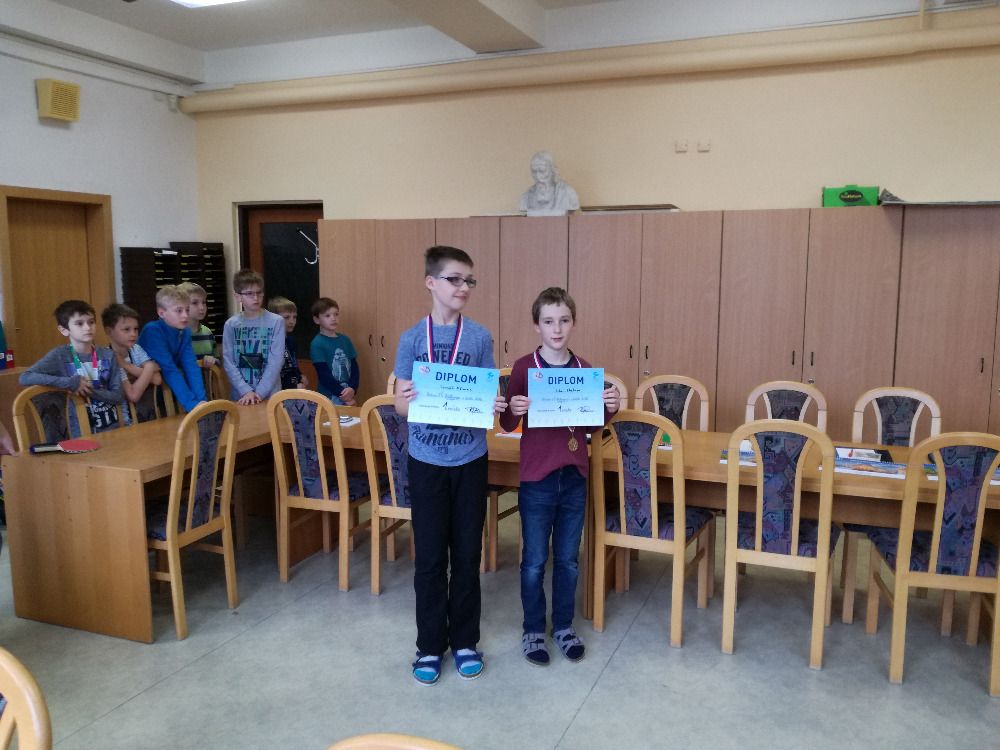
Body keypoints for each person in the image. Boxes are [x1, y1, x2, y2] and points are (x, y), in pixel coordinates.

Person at [394, 245, 507, 685]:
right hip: (425, 460)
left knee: (466, 554)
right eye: (455, 279)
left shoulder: (478, 337)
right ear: (431, 282)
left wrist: (493, 403)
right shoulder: (411, 339)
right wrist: (404, 399)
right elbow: (401, 408)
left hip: (470, 459)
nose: (463, 287)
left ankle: (464, 641)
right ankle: (428, 646)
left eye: (469, 280)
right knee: (428, 558)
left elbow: (487, 397)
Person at [499, 287, 619, 666]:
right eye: (548, 321)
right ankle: (533, 629)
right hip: (537, 479)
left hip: (574, 477)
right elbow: (506, 422)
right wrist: (513, 408)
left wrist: (609, 409)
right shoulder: (524, 368)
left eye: (564, 321)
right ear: (536, 326)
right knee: (534, 561)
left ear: (573, 324)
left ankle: (563, 627)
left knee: (568, 559)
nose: (556, 329)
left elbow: (591, 424)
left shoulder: (584, 369)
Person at [20, 299, 124, 434]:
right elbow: (25, 377)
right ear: (64, 330)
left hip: (112, 428)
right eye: (79, 323)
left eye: (91, 322)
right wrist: (69, 383)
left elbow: (118, 396)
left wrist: (87, 389)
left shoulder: (108, 355)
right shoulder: (60, 355)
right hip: (79, 432)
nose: (87, 327)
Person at [138, 285, 206, 413]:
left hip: (167, 386)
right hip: (146, 391)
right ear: (161, 313)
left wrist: (202, 402)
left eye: (187, 310)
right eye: (179, 311)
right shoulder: (152, 331)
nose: (185, 315)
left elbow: (191, 365)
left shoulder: (185, 331)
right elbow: (169, 368)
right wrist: (192, 404)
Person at [222, 269, 285, 405]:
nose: (256, 298)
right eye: (249, 293)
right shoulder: (231, 324)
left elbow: (276, 361)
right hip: (241, 396)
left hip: (269, 395)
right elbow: (228, 362)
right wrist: (245, 391)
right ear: (238, 296)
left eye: (259, 292)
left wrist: (259, 393)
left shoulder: (276, 321)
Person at [101, 303, 162, 417]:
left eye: (136, 329)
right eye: (126, 329)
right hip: (124, 419)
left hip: (145, 414)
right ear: (109, 331)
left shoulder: (136, 349)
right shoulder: (109, 358)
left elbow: (158, 379)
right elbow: (133, 395)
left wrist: (127, 366)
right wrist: (148, 368)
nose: (133, 334)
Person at [310, 297, 357, 405]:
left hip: (348, 393)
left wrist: (352, 388)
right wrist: (343, 394)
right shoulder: (317, 343)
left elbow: (354, 367)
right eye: (327, 315)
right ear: (317, 320)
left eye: (336, 314)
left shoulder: (345, 340)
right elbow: (323, 375)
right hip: (328, 396)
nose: (333, 318)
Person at [518, 151, 580, 215]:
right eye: (534, 172)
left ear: (552, 170)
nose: (538, 176)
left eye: (542, 171)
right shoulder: (526, 196)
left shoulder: (568, 193)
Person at [268, 296, 307, 390]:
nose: (292, 321)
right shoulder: (270, 343)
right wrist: (291, 386)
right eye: (286, 317)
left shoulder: (290, 341)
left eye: (294, 317)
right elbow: (273, 374)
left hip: (294, 390)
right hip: (279, 391)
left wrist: (300, 376)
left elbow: (293, 364)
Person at [177, 282, 218, 369]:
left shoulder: (207, 332)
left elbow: (218, 361)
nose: (202, 307)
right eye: (195, 303)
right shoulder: (174, 334)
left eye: (204, 302)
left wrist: (213, 360)